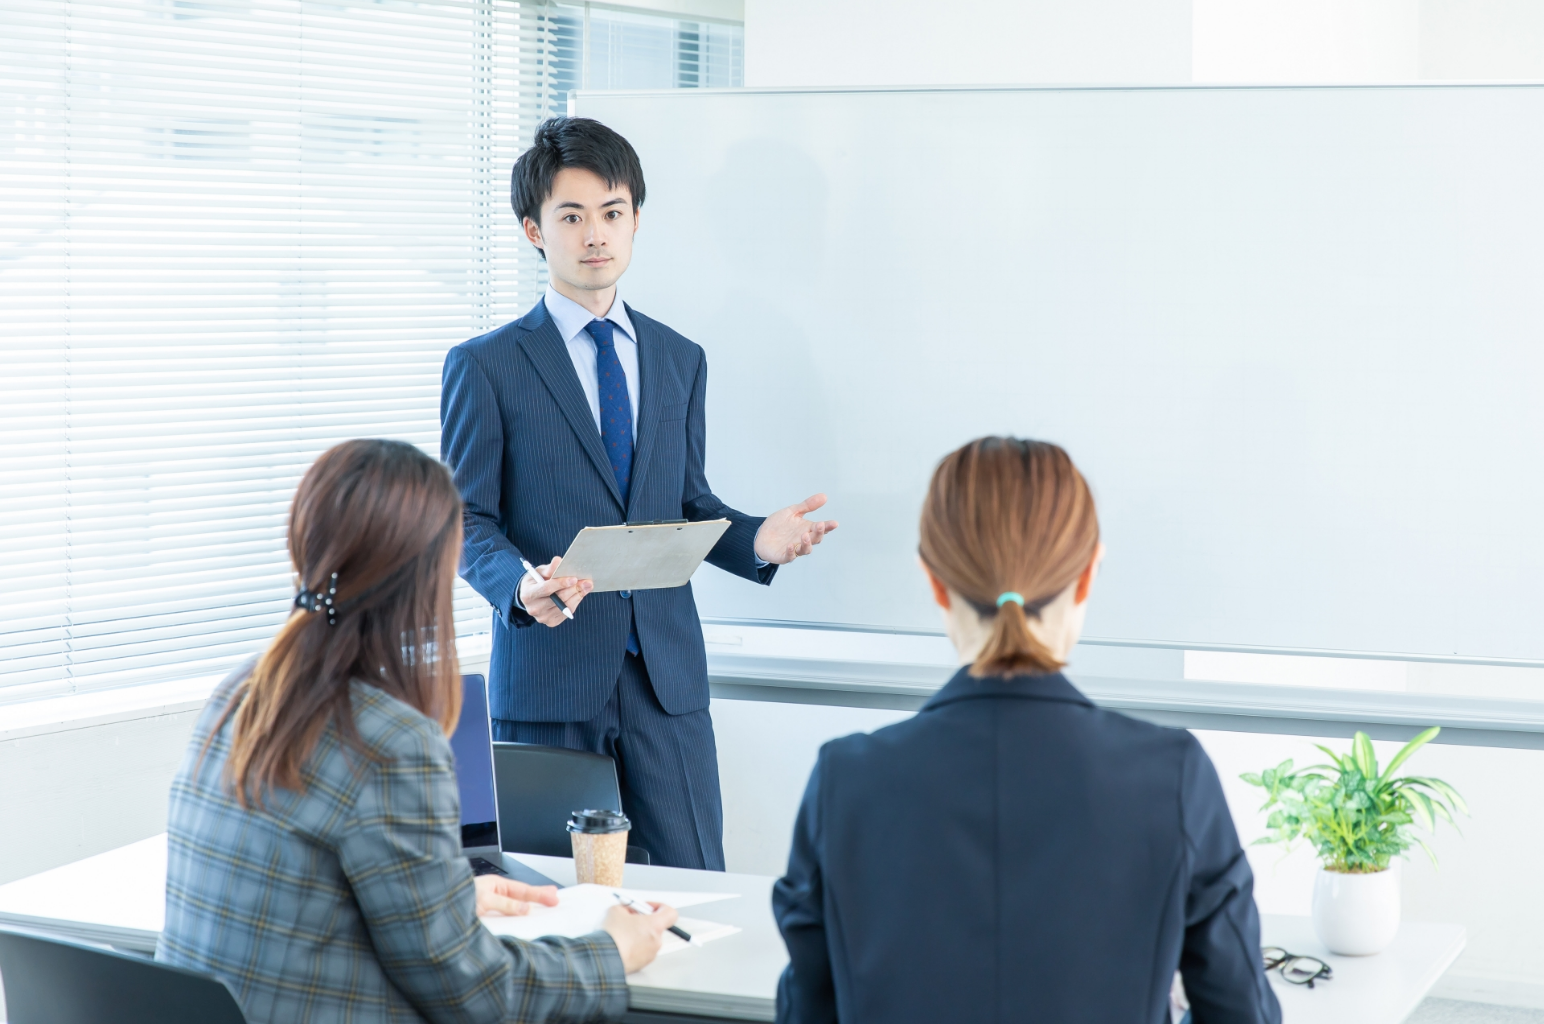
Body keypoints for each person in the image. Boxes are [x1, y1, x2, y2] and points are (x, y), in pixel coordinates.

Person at [157, 439, 676, 1024]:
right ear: (424, 574)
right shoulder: (393, 741)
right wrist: (611, 952)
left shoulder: (240, 693)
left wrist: (445, 902)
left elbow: (303, 898)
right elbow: (478, 995)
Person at [439, 117, 837, 871]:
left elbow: (682, 506)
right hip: (551, 682)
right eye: (572, 216)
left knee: (697, 886)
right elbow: (465, 519)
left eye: (612, 213)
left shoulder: (679, 358)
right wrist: (521, 586)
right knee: (550, 902)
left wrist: (755, 539)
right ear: (534, 230)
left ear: (636, 221)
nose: (596, 234)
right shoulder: (486, 366)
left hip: (666, 684)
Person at [772, 437, 1281, 1024]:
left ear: (935, 582)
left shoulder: (846, 780)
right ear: (1087, 576)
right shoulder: (1173, 775)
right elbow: (1241, 1011)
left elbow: (808, 1008)